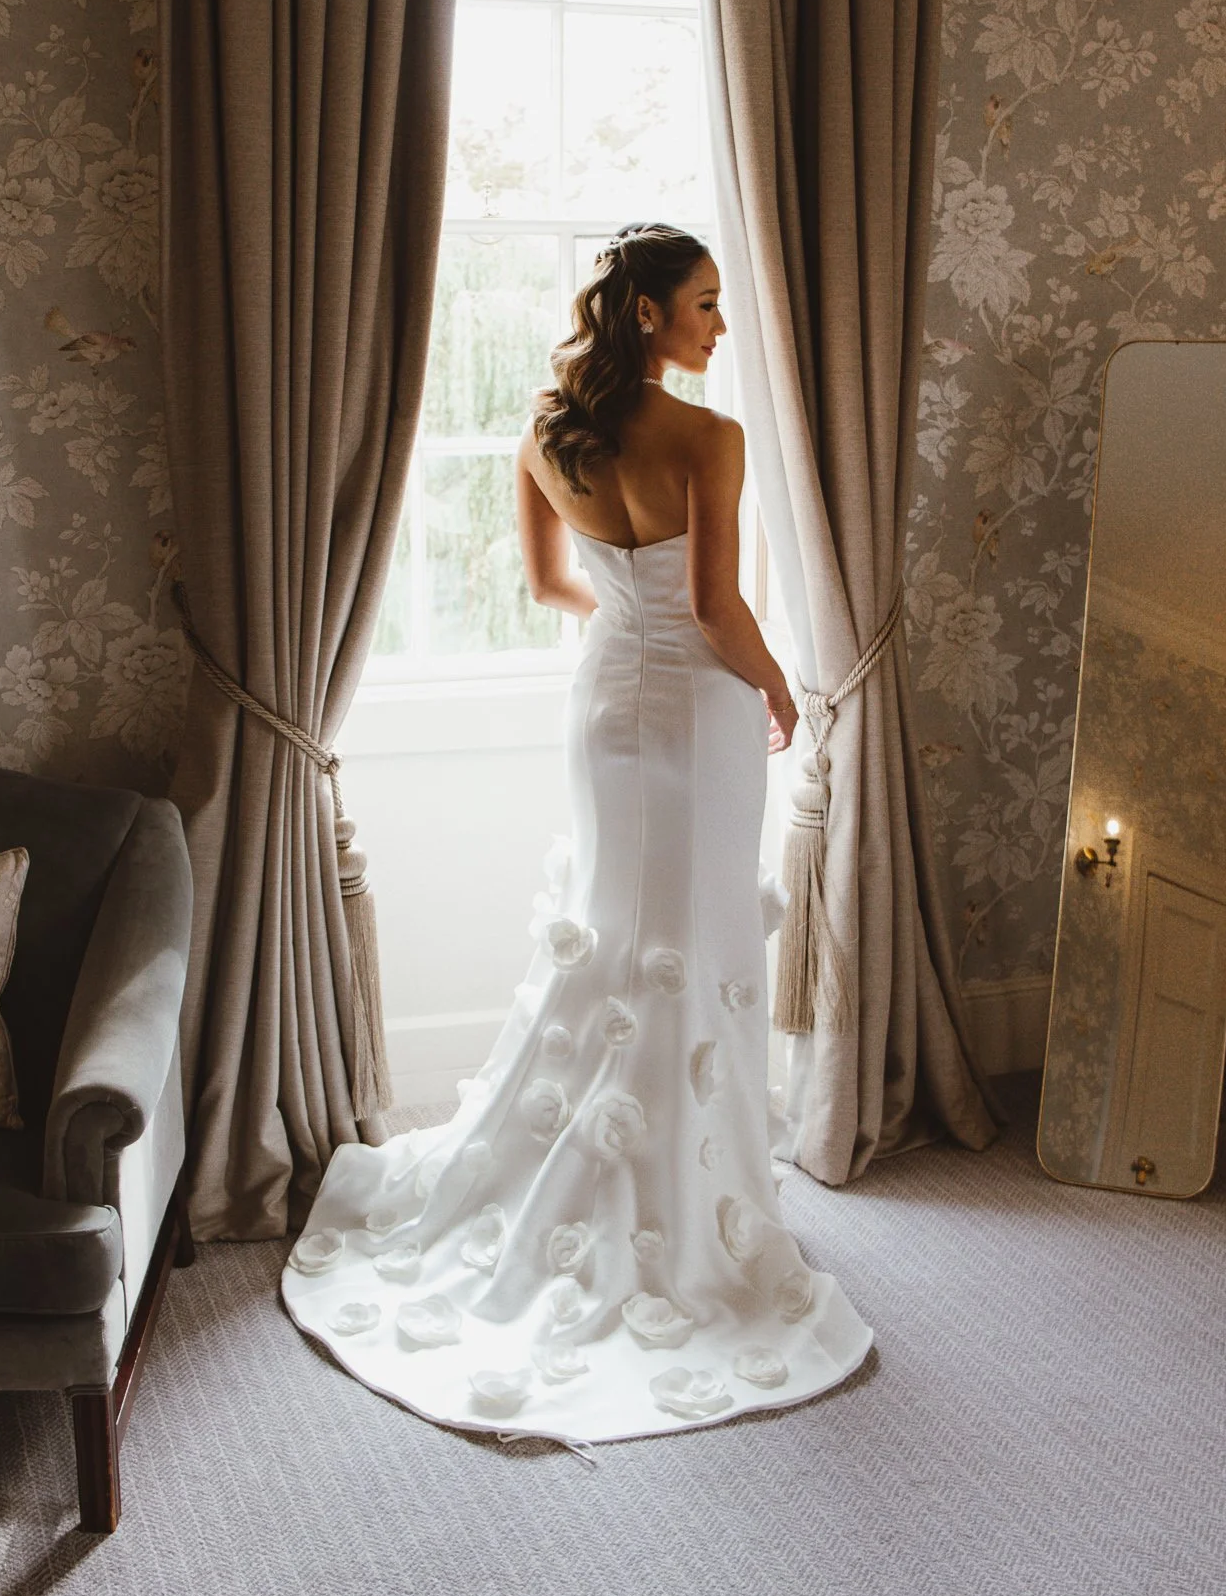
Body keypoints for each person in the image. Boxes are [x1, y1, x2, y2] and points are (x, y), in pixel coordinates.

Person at [281, 223, 873, 1444]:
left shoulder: (550, 429)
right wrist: (779, 689)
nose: (721, 325)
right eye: (705, 304)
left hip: (606, 700)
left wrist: (627, 617)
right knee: (692, 932)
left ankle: (632, 1172)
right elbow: (716, 606)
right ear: (649, 313)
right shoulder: (710, 438)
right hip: (695, 715)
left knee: (611, 934)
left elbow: (552, 583)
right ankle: (680, 1194)